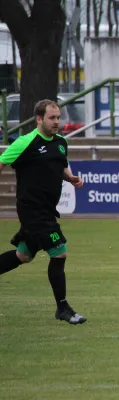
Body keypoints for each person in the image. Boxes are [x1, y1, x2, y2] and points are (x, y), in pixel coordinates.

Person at [0, 99, 86, 324]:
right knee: (59, 251)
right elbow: (1, 163)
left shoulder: (60, 142)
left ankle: (63, 308)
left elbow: (60, 163)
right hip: (32, 210)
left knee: (23, 256)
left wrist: (70, 178)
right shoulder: (24, 143)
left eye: (58, 117)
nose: (57, 122)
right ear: (39, 119)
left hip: (48, 209)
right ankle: (63, 308)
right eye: (52, 118)